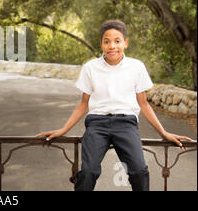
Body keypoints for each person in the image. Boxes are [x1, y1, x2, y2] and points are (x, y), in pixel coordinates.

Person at [36, 20, 193, 191]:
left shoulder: (136, 67)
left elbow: (143, 104)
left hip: (126, 125)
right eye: (106, 41)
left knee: (139, 171)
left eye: (117, 41)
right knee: (88, 172)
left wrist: (163, 132)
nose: (112, 46)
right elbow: (84, 104)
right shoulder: (91, 68)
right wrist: (63, 130)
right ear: (102, 44)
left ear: (125, 43)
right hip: (97, 125)